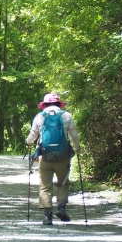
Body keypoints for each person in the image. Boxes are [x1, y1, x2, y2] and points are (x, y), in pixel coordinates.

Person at [25, 92, 80, 225]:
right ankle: (61, 207)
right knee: (63, 182)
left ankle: (47, 216)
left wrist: (28, 143)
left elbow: (33, 135)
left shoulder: (39, 116)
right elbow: (74, 135)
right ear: (58, 103)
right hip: (63, 155)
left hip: (45, 156)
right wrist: (77, 149)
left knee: (45, 185)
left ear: (45, 104)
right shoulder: (66, 115)